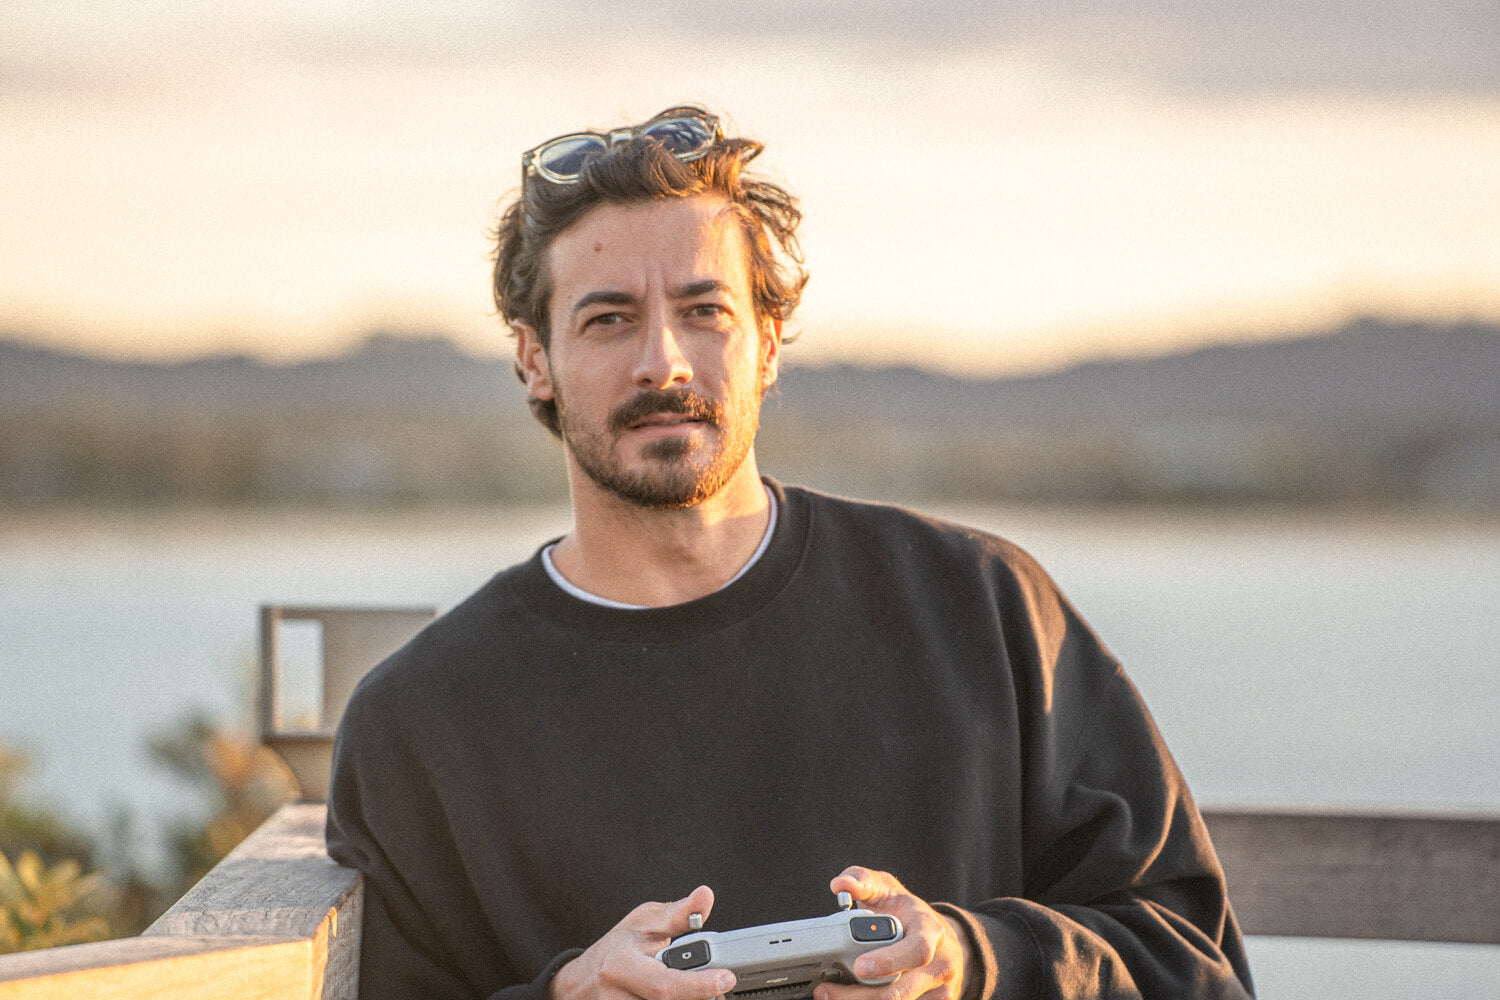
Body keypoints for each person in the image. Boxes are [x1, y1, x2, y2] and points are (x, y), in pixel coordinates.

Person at [326, 105, 1256, 1000]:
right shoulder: (421, 724)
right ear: (534, 359)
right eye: (608, 319)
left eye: (705, 311)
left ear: (768, 340)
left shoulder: (983, 608)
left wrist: (973, 964)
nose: (664, 363)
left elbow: (1197, 965)